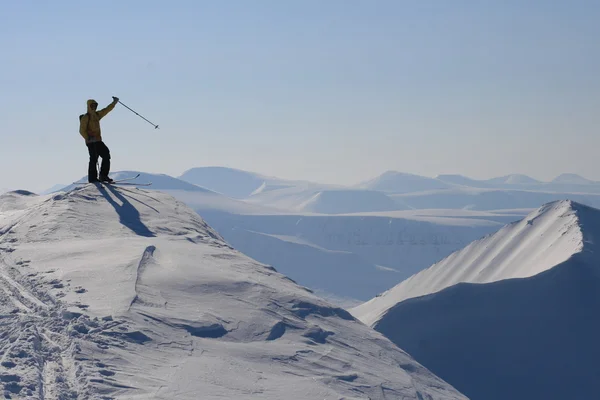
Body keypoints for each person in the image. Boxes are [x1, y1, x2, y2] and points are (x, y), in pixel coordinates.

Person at [79, 97, 119, 183]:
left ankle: (103, 176)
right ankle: (92, 178)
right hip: (90, 142)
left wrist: (114, 103)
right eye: (92, 105)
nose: (94, 107)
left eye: (95, 105)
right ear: (89, 106)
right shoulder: (86, 117)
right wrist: (88, 137)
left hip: (98, 140)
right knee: (94, 158)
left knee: (106, 155)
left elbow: (106, 110)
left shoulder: (97, 115)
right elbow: (82, 130)